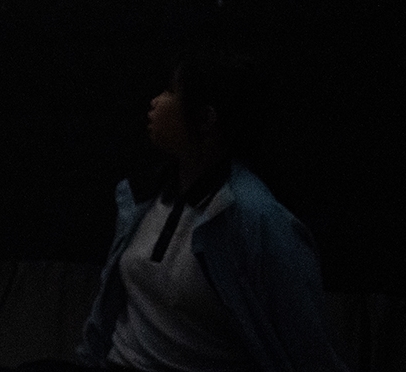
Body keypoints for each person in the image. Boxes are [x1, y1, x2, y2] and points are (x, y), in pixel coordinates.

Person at [69, 49, 349, 372]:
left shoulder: (257, 221)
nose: (156, 101)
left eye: (171, 92)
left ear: (206, 119)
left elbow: (309, 350)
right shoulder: (144, 196)